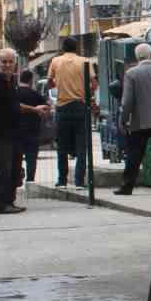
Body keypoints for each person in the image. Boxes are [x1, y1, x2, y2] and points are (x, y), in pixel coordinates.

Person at [0, 48, 46, 214]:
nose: (7, 65)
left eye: (10, 62)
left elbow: (16, 106)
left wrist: (35, 109)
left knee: (15, 169)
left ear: (15, 63)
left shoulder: (12, 82)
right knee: (3, 169)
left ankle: (10, 201)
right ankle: (2, 204)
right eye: (4, 62)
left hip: (15, 133)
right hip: (0, 134)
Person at [115, 43, 151, 195]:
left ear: (137, 57)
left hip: (139, 121)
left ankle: (127, 186)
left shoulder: (131, 73)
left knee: (134, 155)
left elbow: (127, 101)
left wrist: (123, 119)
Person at [47, 36, 93, 188]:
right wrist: (87, 93)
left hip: (62, 107)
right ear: (77, 48)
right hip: (80, 106)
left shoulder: (55, 61)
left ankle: (62, 180)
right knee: (82, 145)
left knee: (62, 146)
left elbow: (49, 82)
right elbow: (93, 83)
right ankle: (79, 181)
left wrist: (59, 84)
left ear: (62, 48)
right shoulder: (85, 61)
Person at [15, 70, 47, 183]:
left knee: (16, 157)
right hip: (33, 130)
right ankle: (30, 180)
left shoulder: (15, 93)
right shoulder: (35, 94)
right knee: (31, 158)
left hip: (16, 130)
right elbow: (46, 108)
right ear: (31, 80)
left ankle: (17, 178)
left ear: (20, 79)